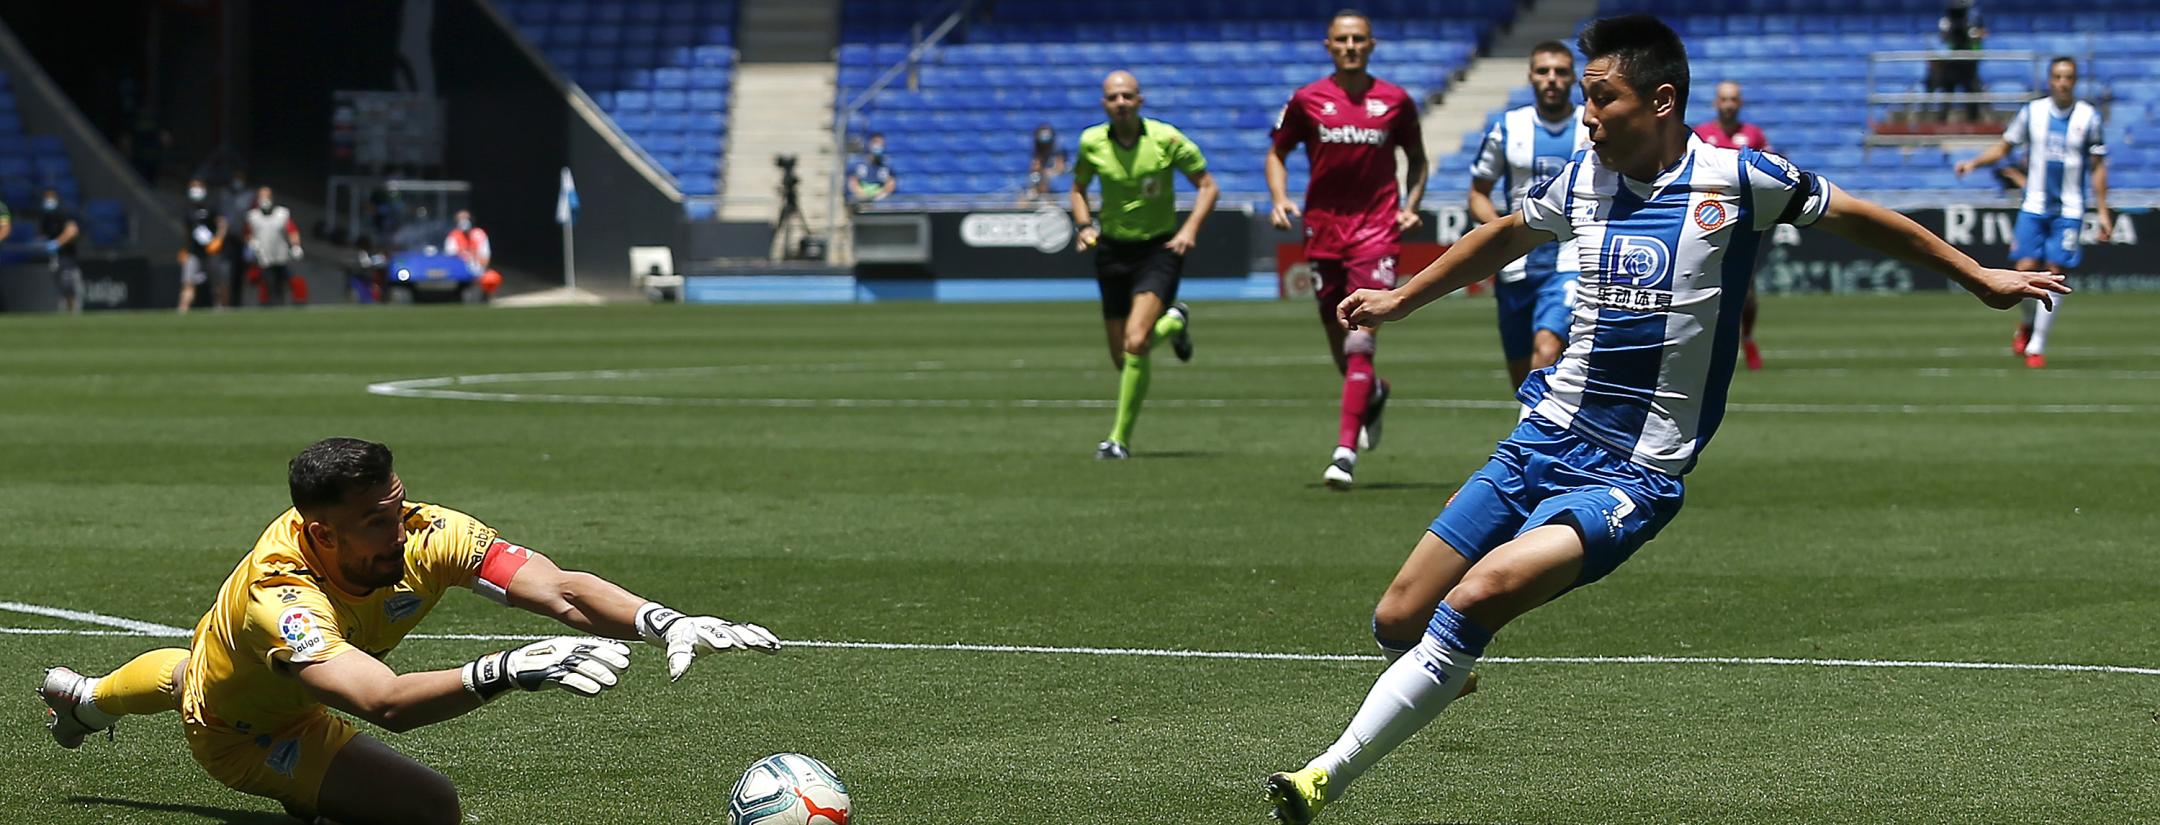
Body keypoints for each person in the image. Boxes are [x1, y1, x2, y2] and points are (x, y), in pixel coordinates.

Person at [1262, 16, 2066, 824]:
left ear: (1661, 102)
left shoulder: (1743, 177)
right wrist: (1404, 298)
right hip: (1543, 437)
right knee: (1397, 617)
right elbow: (1504, 234)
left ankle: (1321, 775)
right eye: (1582, 98)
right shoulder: (1582, 178)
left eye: (1600, 99)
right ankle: (1442, 672)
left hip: (1634, 472)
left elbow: (1857, 215)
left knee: (1479, 594)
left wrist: (1977, 278)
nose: (1585, 116)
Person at [37, 437, 781, 824]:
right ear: (319, 532)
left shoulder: (422, 531)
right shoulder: (283, 598)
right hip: (248, 734)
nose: (400, 530)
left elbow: (557, 590)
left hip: (233, 665)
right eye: (375, 520)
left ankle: (89, 700)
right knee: (431, 809)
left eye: (398, 503)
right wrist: (506, 669)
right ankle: (303, 791)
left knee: (201, 666)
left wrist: (664, 619)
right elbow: (384, 701)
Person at [1265, 8, 1428, 490]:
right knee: (1340, 341)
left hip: (1377, 232)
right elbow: (1277, 151)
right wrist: (1279, 197)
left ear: (1372, 45)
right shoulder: (1307, 100)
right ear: (1329, 46)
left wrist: (1411, 204)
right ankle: (1373, 392)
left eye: (1359, 39)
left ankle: (1343, 451)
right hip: (1322, 233)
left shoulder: (1396, 101)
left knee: (1361, 336)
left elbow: (1417, 160)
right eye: (1342, 39)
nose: (1351, 46)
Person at [1070, 70, 1215, 460]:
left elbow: (1207, 185)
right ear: (1104, 104)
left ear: (1139, 101)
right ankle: (1175, 322)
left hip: (1158, 249)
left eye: (1127, 96)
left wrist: (1189, 231)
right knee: (1123, 358)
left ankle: (1118, 440)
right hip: (1112, 250)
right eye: (1113, 97)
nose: (1120, 103)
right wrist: (1084, 226)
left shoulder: (1166, 139)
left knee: (1136, 341)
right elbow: (1079, 188)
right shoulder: (1091, 143)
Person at [1953, 56, 2109, 369]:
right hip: (2034, 204)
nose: (2062, 82)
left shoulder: (2088, 117)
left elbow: (2097, 167)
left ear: (2075, 81)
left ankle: (2036, 345)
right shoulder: (2033, 113)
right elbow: (2004, 147)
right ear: (2049, 80)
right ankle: (2027, 323)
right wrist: (1974, 163)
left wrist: (2103, 211)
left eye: (2068, 77)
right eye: (2057, 76)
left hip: (2069, 208)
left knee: (2054, 273)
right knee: (2025, 268)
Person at [1469, 41, 1590, 391]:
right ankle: (1537, 435)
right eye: (1543, 71)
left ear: (1573, 78)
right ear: (1531, 77)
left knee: (1547, 349)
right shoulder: (1507, 128)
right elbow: (1478, 192)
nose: (1551, 79)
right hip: (1516, 265)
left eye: (1560, 72)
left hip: (1571, 259)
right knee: (1521, 378)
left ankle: (1535, 442)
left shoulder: (1590, 128)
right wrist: (1497, 231)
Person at [1692, 80, 1771, 369]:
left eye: (1733, 99)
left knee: (1746, 290)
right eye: (1724, 99)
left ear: (1740, 103)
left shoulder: (1753, 135)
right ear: (1716, 103)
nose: (1728, 104)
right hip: (1705, 223)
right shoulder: (1701, 135)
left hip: (1743, 222)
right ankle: (1705, 345)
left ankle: (1747, 338)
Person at [1928, 0, 1986, 123]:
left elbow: (1982, 35)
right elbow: (1942, 39)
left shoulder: (1974, 19)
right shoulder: (1947, 21)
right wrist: (1947, 31)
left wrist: (1973, 34)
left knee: (1971, 90)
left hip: (1968, 61)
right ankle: (1942, 120)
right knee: (1948, 90)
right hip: (1952, 60)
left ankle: (1973, 121)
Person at [245, 187, 304, 306]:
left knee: (291, 281)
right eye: (262, 196)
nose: (265, 200)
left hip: (281, 255)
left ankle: (295, 304)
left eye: (267, 196)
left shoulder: (281, 214)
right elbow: (247, 233)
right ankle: (269, 305)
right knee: (268, 284)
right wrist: (251, 244)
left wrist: (296, 246)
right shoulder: (252, 216)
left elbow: (292, 231)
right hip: (264, 257)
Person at [179, 178, 229, 313]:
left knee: (217, 283)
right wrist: (184, 249)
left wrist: (218, 240)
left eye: (198, 187)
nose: (195, 190)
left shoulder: (211, 206)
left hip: (211, 252)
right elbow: (186, 232)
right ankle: (183, 309)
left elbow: (222, 224)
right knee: (188, 282)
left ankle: (221, 307)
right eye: (193, 187)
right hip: (193, 252)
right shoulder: (187, 208)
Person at [38, 188, 83, 315]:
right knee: (60, 288)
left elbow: (72, 231)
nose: (48, 201)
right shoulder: (46, 216)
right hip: (54, 257)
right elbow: (43, 235)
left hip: (67, 256)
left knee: (70, 285)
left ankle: (74, 312)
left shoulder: (63, 212)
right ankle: (64, 312)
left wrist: (57, 243)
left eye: (50, 198)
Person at [443, 209, 502, 298]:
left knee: (492, 278)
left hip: (477, 270)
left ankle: (484, 296)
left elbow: (485, 256)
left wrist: (480, 271)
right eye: (460, 218)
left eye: (466, 217)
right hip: (459, 270)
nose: (463, 220)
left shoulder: (480, 234)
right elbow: (450, 257)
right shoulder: (453, 236)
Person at [223, 172, 254, 307]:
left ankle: (238, 302)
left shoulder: (249, 196)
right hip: (228, 240)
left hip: (244, 240)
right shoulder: (224, 195)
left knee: (242, 275)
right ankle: (226, 303)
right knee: (226, 273)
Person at [846, 133, 897, 205]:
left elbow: (891, 183)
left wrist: (881, 195)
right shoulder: (859, 163)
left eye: (881, 144)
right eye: (876, 142)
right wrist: (860, 192)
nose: (878, 146)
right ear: (870, 144)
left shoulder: (886, 165)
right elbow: (853, 181)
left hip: (880, 199)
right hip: (861, 198)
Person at [1027, 123, 1068, 202]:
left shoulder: (1058, 150)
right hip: (1042, 181)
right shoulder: (1037, 151)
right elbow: (1035, 168)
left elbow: (1060, 168)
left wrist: (1047, 173)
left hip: (1054, 180)